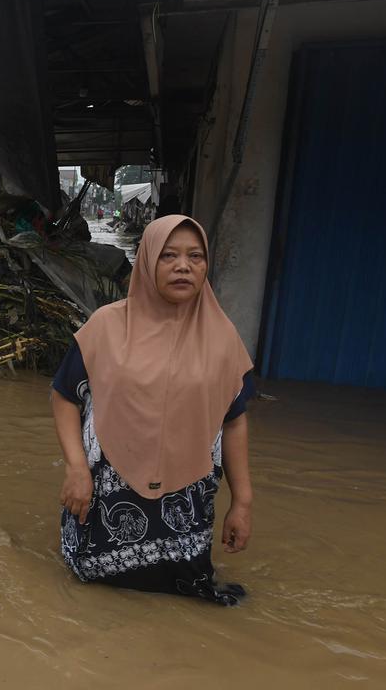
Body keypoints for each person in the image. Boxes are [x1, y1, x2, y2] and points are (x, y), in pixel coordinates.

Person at [53, 215, 256, 606]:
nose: (184, 266)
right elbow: (64, 396)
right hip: (106, 495)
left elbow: (234, 421)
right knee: (93, 589)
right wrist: (76, 468)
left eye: (195, 256)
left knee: (185, 591)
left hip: (187, 503)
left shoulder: (223, 338)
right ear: (146, 261)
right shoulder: (106, 327)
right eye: (169, 256)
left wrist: (242, 502)